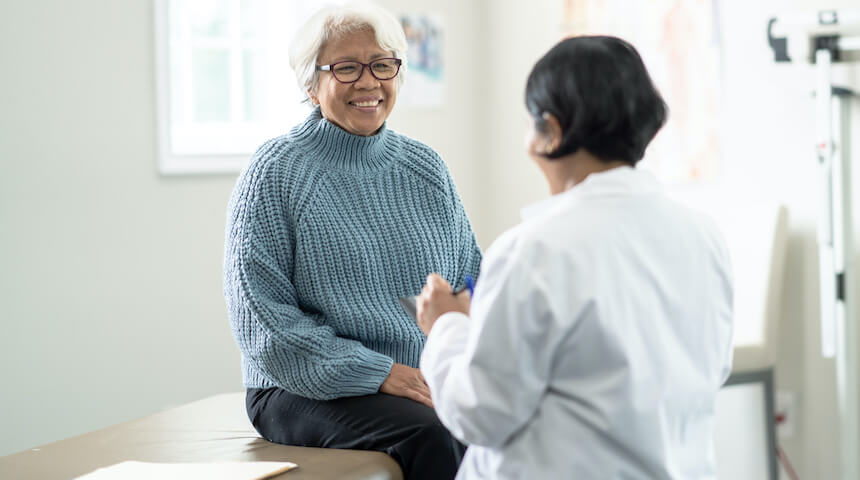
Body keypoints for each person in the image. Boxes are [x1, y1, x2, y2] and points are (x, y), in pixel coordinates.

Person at [416, 36, 733, 479]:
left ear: (551, 131)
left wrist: (446, 326)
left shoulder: (534, 250)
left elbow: (479, 414)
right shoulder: (704, 235)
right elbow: (713, 370)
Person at [223, 4, 481, 479]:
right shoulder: (276, 173)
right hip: (298, 385)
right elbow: (264, 324)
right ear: (310, 85)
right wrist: (377, 371)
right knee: (434, 432)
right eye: (346, 68)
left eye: (382, 65)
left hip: (421, 377)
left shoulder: (425, 168)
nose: (368, 82)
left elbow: (470, 280)